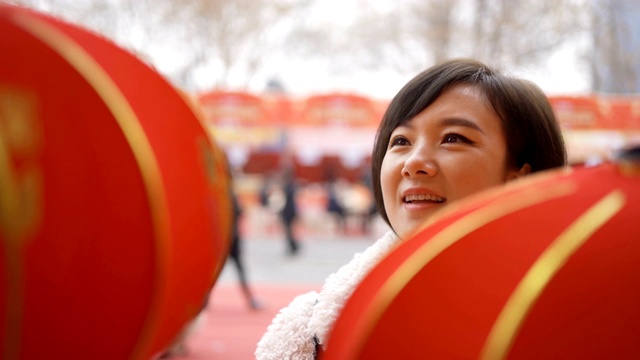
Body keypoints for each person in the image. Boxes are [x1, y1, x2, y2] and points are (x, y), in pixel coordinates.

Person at [254, 58, 567, 359]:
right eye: (401, 140)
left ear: (519, 178)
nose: (413, 163)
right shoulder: (306, 339)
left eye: (453, 138)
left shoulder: (574, 323)